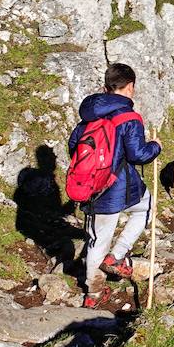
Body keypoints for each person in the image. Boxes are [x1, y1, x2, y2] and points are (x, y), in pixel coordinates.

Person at [67, 62, 161, 309]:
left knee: (97, 239)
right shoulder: (129, 118)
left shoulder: (87, 117)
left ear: (105, 87)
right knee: (146, 208)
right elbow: (138, 155)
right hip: (122, 186)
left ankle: (93, 293)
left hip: (93, 187)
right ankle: (117, 255)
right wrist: (156, 146)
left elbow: (74, 147)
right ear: (130, 87)